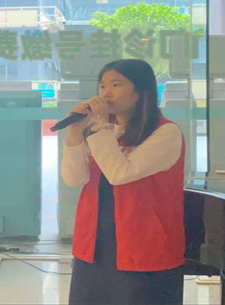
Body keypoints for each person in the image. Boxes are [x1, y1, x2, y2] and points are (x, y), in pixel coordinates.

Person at [61, 59, 185, 305]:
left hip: (142, 243)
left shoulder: (165, 133)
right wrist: (75, 133)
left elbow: (119, 174)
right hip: (96, 241)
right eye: (103, 86)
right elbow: (74, 179)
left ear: (141, 91)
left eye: (116, 85)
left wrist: (99, 127)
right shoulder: (106, 131)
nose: (106, 93)